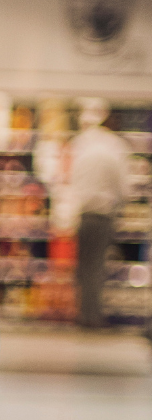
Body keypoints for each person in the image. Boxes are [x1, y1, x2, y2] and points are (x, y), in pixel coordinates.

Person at [66, 97, 130, 329]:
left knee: (84, 267)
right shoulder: (115, 146)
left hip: (84, 214)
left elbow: (70, 181)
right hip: (104, 215)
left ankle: (85, 314)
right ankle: (93, 316)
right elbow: (124, 186)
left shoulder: (80, 144)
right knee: (97, 266)